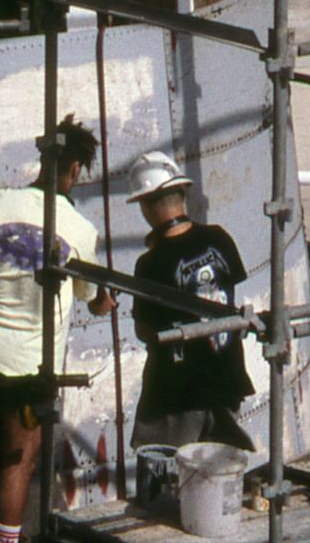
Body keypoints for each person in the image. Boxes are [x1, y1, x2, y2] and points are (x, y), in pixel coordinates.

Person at [0, 118, 112, 543]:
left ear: (42, 159)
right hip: (31, 365)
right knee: (19, 460)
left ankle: (4, 537)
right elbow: (91, 298)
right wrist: (105, 302)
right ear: (76, 168)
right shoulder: (81, 230)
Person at [126, 151, 256, 452]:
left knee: (164, 466)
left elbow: (145, 331)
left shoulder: (150, 263)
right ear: (182, 194)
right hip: (226, 377)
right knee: (221, 465)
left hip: (177, 393)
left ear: (146, 206)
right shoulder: (219, 238)